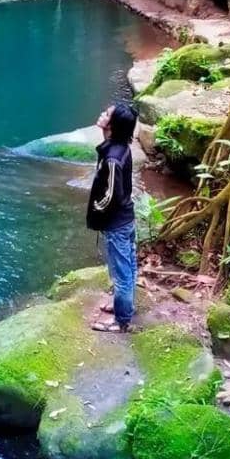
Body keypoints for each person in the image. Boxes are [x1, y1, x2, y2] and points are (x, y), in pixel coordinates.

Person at [86, 101, 138, 333]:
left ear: (113, 125)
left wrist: (96, 210)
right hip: (126, 218)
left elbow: (111, 196)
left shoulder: (113, 158)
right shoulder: (118, 148)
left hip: (117, 223)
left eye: (107, 114)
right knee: (128, 265)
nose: (102, 114)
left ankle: (121, 321)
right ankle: (124, 306)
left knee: (121, 273)